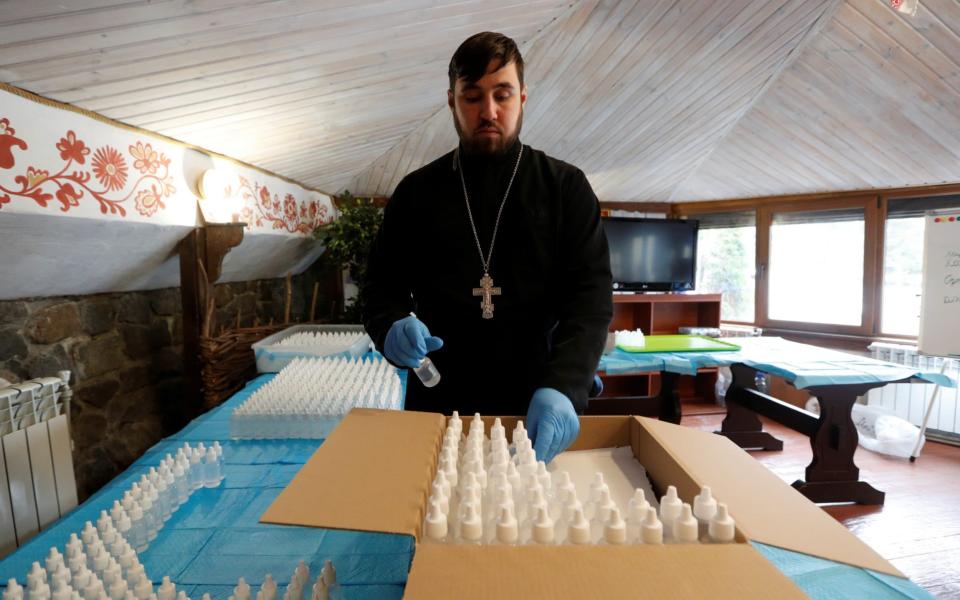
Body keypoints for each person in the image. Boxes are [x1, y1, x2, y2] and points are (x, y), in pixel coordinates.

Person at [363, 32, 612, 463]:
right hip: (439, 398)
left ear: (523, 97)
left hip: (538, 399)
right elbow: (380, 292)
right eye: (473, 96)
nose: (489, 111)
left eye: (503, 94)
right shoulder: (415, 193)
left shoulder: (565, 188)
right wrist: (390, 328)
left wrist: (567, 385)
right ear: (451, 101)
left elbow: (589, 301)